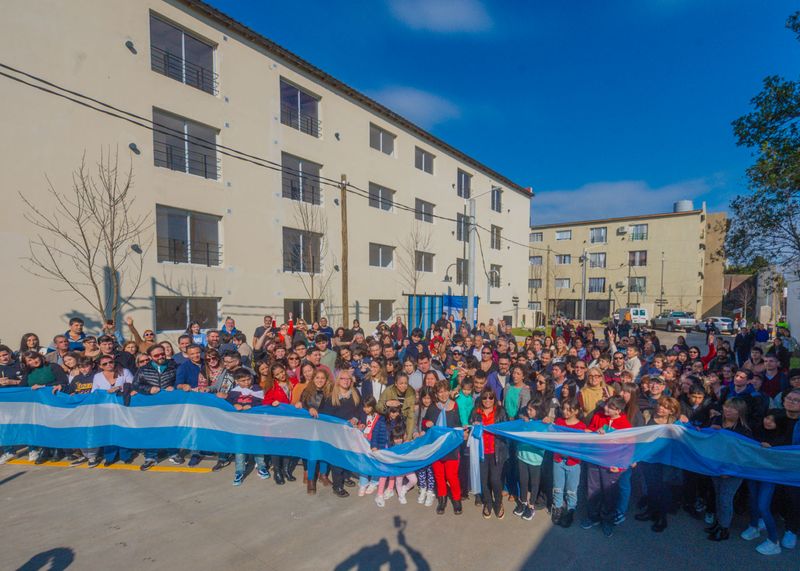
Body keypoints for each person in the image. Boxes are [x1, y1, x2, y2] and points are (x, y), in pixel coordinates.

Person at [581, 396, 632, 537]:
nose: (605, 408)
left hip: (611, 465)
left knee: (609, 494)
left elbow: (628, 449)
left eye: (610, 407)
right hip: (594, 460)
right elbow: (588, 431)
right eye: (606, 405)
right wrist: (594, 432)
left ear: (618, 410)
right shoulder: (598, 416)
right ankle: (593, 517)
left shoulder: (625, 425)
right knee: (592, 490)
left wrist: (621, 467)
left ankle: (607, 520)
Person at [740, 410, 788, 555]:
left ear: (779, 423)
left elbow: (784, 458)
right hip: (753, 471)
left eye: (772, 420)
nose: (768, 421)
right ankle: (754, 526)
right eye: (767, 417)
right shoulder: (756, 429)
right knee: (753, 501)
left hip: (769, 476)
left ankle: (774, 541)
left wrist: (772, 450)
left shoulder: (783, 438)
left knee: (763, 506)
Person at [706, 397, 752, 541]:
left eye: (732, 408)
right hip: (716, 466)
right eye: (726, 406)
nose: (727, 410)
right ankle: (718, 523)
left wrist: (730, 470)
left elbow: (742, 455)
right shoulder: (717, 421)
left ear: (740, 412)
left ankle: (724, 529)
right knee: (718, 496)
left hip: (732, 470)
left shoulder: (744, 430)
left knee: (726, 498)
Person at [634, 397, 681, 532]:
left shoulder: (675, 422)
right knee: (651, 486)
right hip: (648, 458)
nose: (661, 408)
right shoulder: (647, 415)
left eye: (666, 407)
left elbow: (685, 435)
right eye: (660, 405)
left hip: (666, 460)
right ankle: (651, 510)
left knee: (664, 489)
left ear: (672, 411)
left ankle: (662, 516)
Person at [314, 370, 360, 498]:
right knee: (337, 460)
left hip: (350, 432)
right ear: (338, 381)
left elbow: (360, 409)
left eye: (348, 379)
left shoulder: (355, 394)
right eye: (343, 379)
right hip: (336, 433)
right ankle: (337, 486)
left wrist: (356, 419)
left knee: (348, 457)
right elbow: (324, 415)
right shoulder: (330, 396)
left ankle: (345, 477)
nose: (346, 381)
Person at [132, 344, 180, 471]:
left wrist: (174, 387)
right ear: (150, 357)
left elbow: (179, 381)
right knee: (150, 430)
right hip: (150, 406)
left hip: (169, 406)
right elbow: (136, 385)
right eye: (156, 355)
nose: (160, 357)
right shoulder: (143, 369)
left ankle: (173, 453)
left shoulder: (173, 366)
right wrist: (148, 389)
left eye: (162, 353)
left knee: (170, 429)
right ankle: (150, 457)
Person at [423, 380, 463, 515]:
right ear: (436, 394)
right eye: (440, 392)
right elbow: (425, 422)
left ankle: (457, 500)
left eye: (446, 390)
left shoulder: (455, 406)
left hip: (451, 447)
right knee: (439, 476)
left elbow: (460, 425)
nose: (444, 394)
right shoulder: (433, 407)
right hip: (436, 448)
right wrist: (426, 423)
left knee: (452, 476)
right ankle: (442, 500)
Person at [226, 369, 270, 486]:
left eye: (248, 379)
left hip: (255, 425)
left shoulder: (258, 390)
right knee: (240, 450)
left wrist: (251, 406)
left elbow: (263, 403)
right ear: (236, 381)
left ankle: (261, 467)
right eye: (243, 380)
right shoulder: (233, 393)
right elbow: (227, 404)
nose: (246, 382)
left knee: (258, 447)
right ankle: (239, 471)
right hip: (239, 426)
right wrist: (233, 405)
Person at [470, 387, 509, 519]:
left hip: (496, 452)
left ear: (494, 398)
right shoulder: (476, 412)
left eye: (490, 397)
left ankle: (498, 503)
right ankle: (488, 503)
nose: (487, 400)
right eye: (485, 397)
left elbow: (507, 429)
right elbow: (469, 427)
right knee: (484, 480)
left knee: (495, 479)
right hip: (481, 453)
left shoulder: (500, 412)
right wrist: (473, 425)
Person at [549, 399, 586, 528]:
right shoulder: (559, 422)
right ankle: (557, 508)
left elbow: (587, 441)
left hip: (574, 462)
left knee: (571, 489)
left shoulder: (581, 426)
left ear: (576, 411)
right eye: (563, 408)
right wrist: (547, 423)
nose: (565, 412)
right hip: (558, 460)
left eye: (568, 409)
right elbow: (549, 431)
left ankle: (570, 510)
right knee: (557, 487)